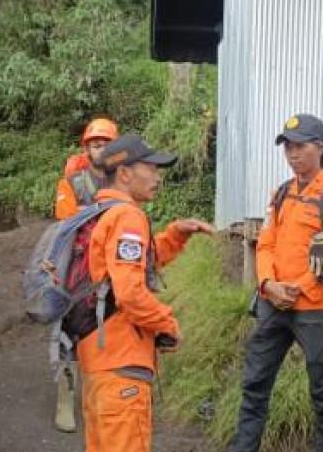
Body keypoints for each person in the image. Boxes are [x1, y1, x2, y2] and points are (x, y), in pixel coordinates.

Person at [230, 114, 323, 452]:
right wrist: (268, 284)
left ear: (320, 147)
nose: (292, 153)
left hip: (316, 310)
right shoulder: (282, 193)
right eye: (287, 146)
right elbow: (266, 244)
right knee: (254, 384)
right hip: (273, 304)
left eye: (300, 146)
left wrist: (297, 290)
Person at [77, 134, 215, 452]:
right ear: (124, 173)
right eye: (150, 168)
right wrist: (167, 324)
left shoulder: (98, 212)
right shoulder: (128, 217)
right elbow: (129, 293)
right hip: (122, 364)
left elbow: (121, 270)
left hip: (98, 363)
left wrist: (176, 235)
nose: (157, 176)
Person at [51, 117, 119, 432]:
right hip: (77, 269)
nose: (100, 149)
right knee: (69, 334)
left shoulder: (124, 179)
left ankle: (101, 397)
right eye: (95, 144)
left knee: (108, 335)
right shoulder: (72, 183)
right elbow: (64, 226)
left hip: (113, 268)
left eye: (105, 144)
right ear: (87, 148)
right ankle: (65, 401)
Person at [55, 117, 119, 220]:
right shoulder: (70, 184)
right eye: (97, 146)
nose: (103, 151)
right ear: (87, 149)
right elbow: (66, 228)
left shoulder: (124, 179)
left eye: (108, 146)